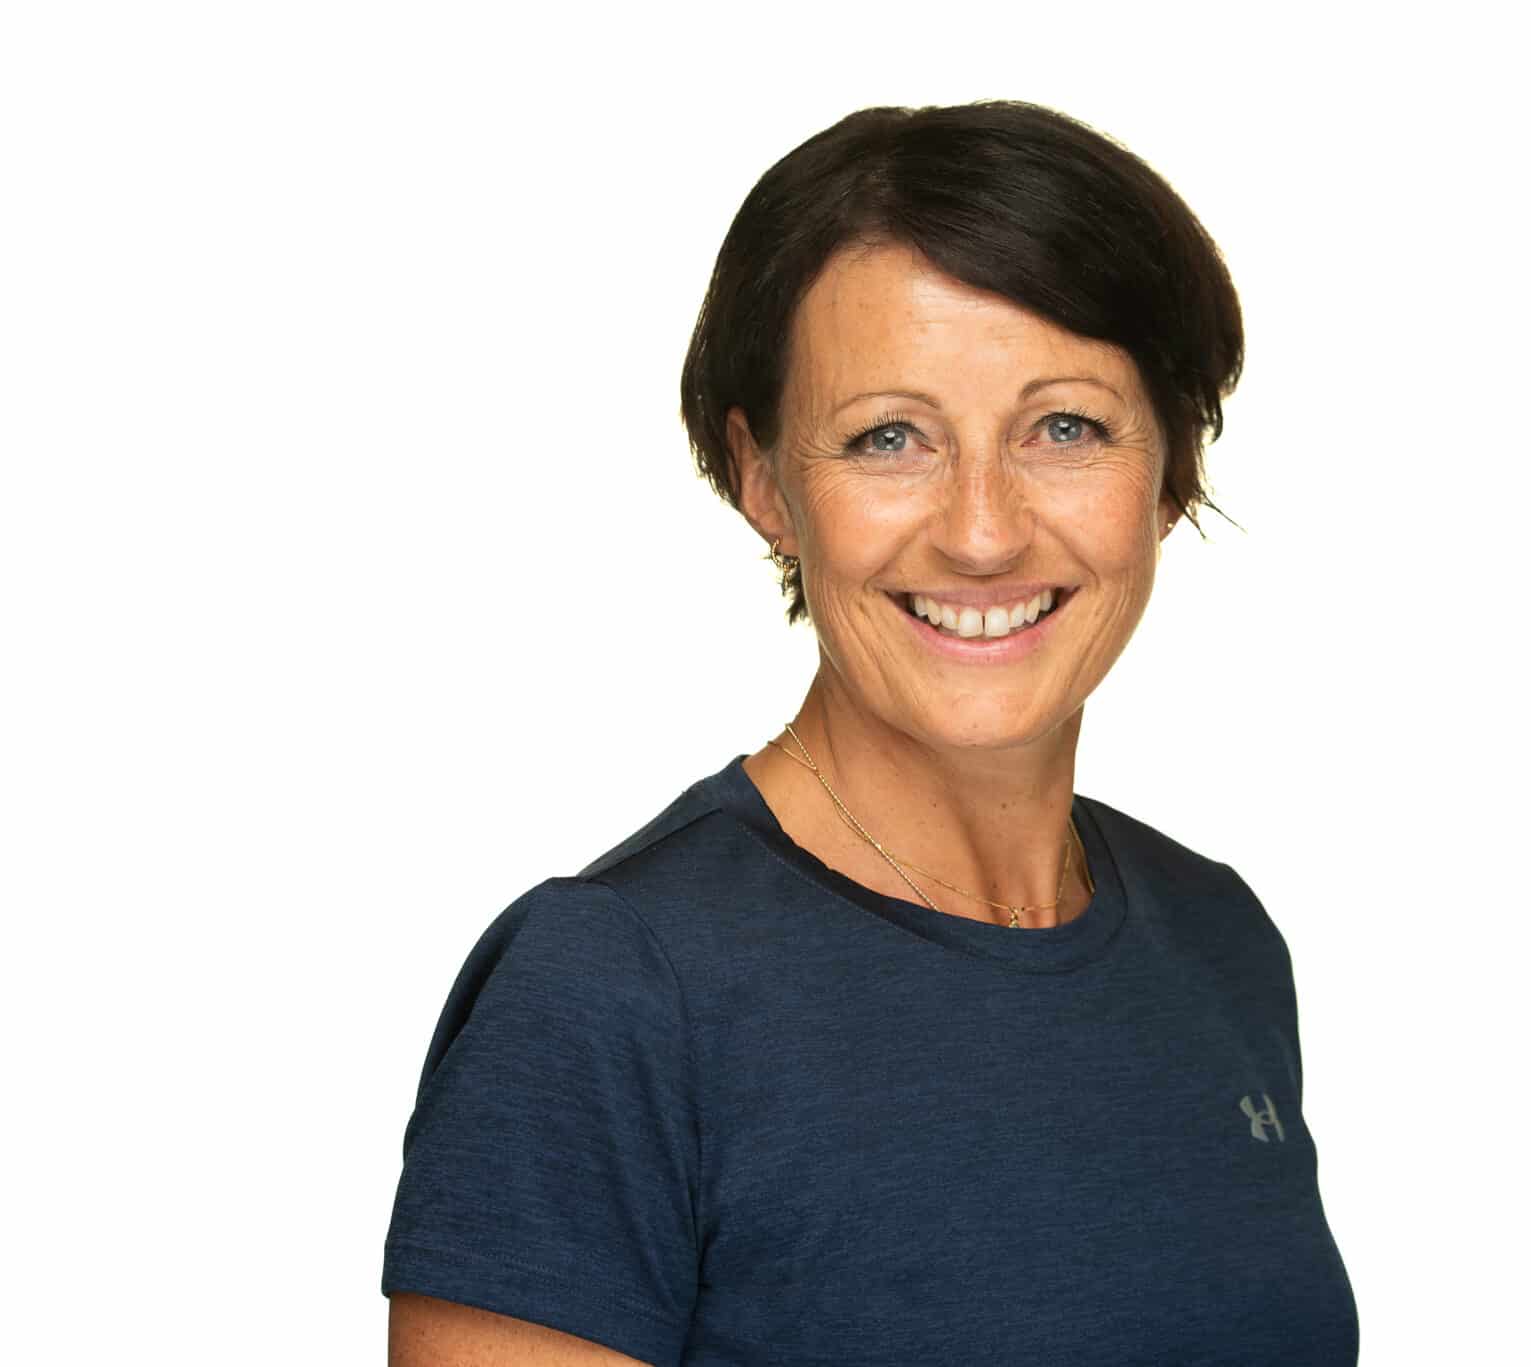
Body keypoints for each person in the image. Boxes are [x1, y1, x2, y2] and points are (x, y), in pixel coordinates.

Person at [382, 100, 1358, 1366]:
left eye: (1064, 427)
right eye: (887, 437)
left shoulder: (1216, 939)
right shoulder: (612, 989)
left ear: (1167, 469)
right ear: (764, 480)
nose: (982, 530)